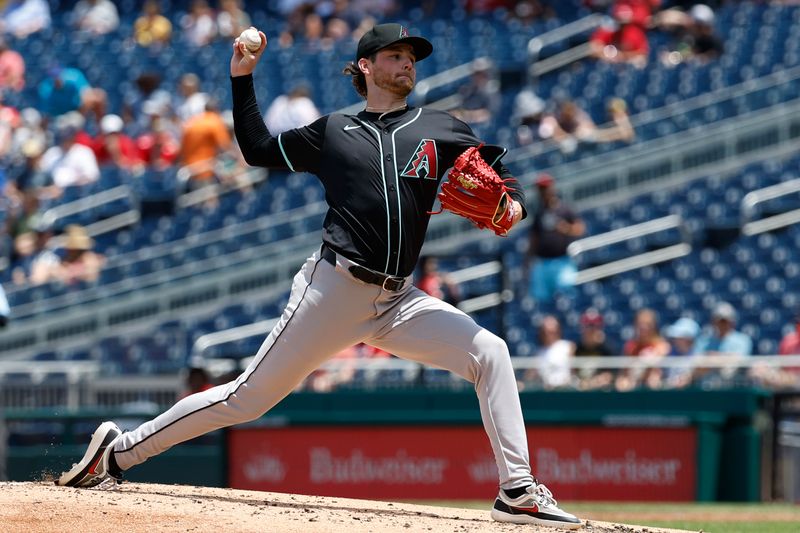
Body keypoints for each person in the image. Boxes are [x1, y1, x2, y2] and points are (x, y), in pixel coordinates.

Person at [56, 23, 581, 530]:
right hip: (333, 290)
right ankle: (119, 452)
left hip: (399, 301)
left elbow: (496, 183)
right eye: (396, 55)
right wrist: (243, 79)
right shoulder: (333, 131)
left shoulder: (440, 126)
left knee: (490, 352)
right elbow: (257, 149)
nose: (407, 64)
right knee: (246, 399)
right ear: (366, 66)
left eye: (412, 57)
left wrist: (510, 207)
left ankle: (517, 491)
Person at [525, 173, 584, 301]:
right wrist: (527, 261)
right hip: (542, 263)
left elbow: (580, 229)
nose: (542, 192)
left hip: (562, 261)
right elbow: (533, 239)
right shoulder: (539, 213)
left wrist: (566, 228)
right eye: (540, 189)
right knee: (541, 299)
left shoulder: (564, 209)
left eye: (544, 188)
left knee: (567, 295)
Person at [663, 316, 700, 389]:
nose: (675, 340)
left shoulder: (698, 356)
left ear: (689, 339)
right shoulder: (669, 353)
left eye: (680, 338)